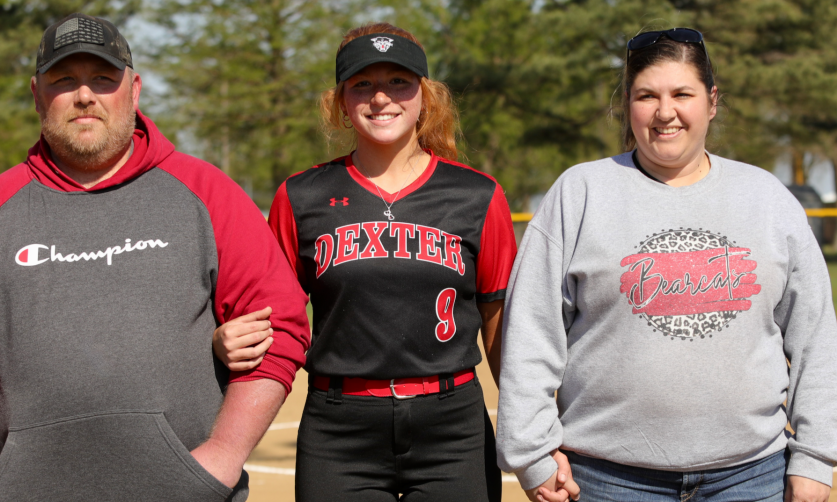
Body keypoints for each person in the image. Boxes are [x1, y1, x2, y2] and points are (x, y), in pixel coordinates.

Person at [0, 13, 309, 502]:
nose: (84, 95)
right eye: (64, 79)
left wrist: (221, 458)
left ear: (134, 89)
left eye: (103, 78)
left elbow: (282, 326)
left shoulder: (207, 193)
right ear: (36, 93)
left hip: (184, 494)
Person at [212, 22, 578, 502]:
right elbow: (270, 312)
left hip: (453, 426)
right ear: (341, 101)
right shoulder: (300, 196)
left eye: (398, 81)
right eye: (362, 84)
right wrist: (222, 337)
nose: (381, 97)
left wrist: (532, 444)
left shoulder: (476, 194)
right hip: (338, 428)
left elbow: (500, 327)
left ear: (425, 95)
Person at [496, 27, 837, 502]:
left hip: (751, 478)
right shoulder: (581, 193)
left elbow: (816, 336)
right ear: (627, 104)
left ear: (712, 101)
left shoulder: (766, 198)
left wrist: (817, 457)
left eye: (682, 93)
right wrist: (531, 453)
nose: (665, 112)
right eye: (646, 95)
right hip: (606, 480)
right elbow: (530, 334)